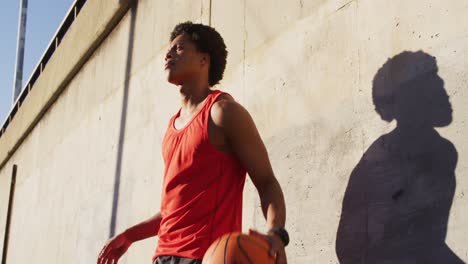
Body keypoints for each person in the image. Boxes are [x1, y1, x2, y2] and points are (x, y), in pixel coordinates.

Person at [97, 21, 288, 264]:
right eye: (169, 49)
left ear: (203, 60)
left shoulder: (223, 113)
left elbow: (267, 183)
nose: (168, 53)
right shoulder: (171, 127)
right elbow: (173, 211)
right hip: (163, 257)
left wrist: (276, 233)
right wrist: (129, 235)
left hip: (206, 256)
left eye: (179, 48)